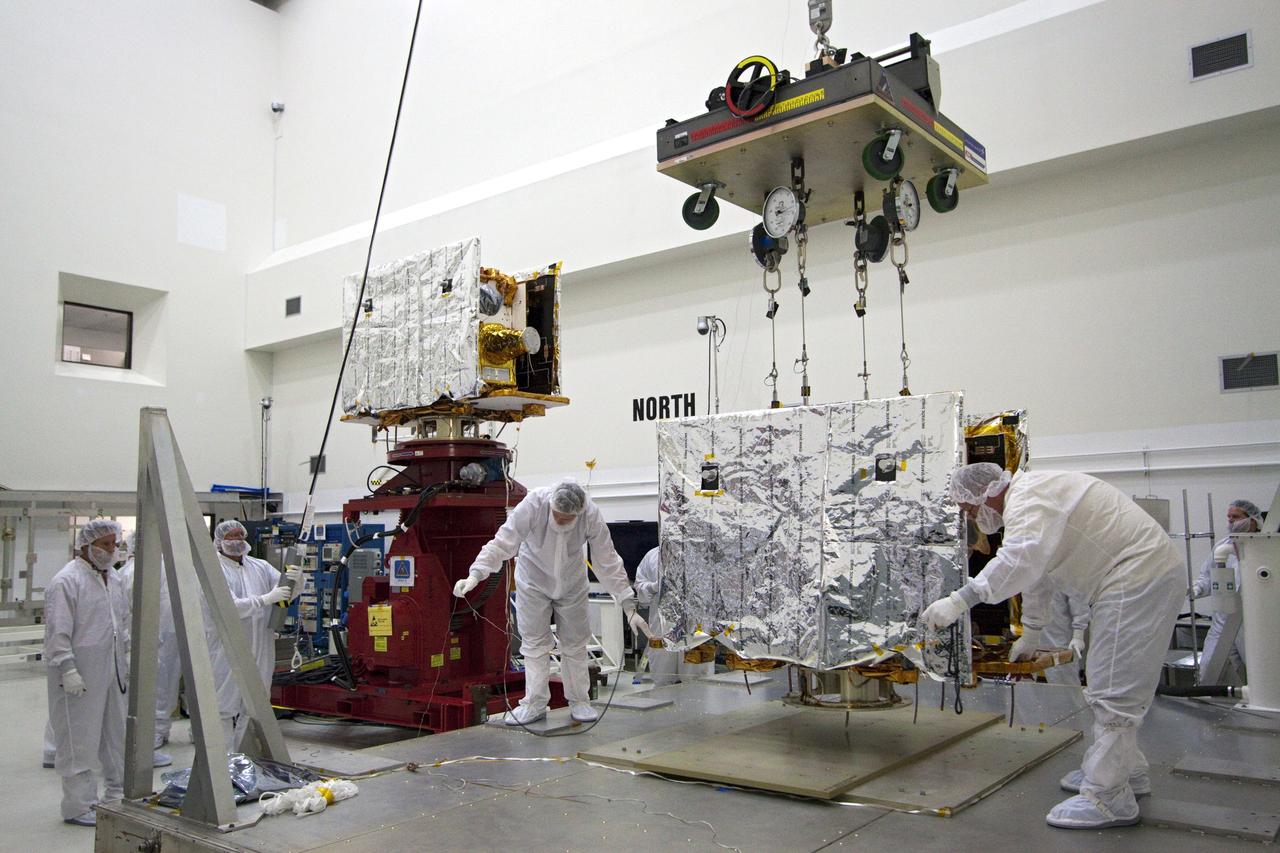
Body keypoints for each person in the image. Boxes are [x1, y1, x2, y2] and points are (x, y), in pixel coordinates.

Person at [921, 463, 1183, 830]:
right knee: (1109, 684)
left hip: (1135, 579)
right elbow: (1038, 574)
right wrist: (1032, 632)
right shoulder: (1031, 499)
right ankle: (1127, 771)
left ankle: (1108, 797)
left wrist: (960, 600)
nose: (975, 517)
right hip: (1133, 577)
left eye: (970, 509)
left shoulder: (1028, 497)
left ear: (985, 494)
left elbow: (1018, 561)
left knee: (1112, 688)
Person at [453, 480, 650, 725]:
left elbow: (606, 559)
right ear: (550, 505)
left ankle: (580, 701)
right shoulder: (534, 504)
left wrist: (628, 605)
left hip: (572, 583)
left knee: (575, 645)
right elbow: (504, 541)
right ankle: (534, 703)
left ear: (579, 512)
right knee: (534, 645)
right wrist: (477, 573)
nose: (562, 521)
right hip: (533, 581)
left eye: (568, 518)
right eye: (558, 516)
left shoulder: (590, 514)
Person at [43, 519, 129, 827]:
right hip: (78, 675)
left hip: (111, 671)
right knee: (78, 738)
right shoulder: (66, 581)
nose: (111, 550)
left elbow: (121, 622)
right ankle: (78, 806)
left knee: (114, 734)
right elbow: (57, 631)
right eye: (105, 544)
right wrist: (67, 668)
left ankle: (115, 795)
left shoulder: (115, 579)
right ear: (86, 545)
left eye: (114, 544)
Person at [208, 520, 301, 751]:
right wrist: (266, 599)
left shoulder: (259, 566)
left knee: (256, 702)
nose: (238, 539)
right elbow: (231, 607)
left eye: (241, 534)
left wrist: (298, 579)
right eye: (231, 536)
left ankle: (245, 756)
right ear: (220, 542)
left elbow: (287, 592)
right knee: (224, 704)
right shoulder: (214, 569)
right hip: (227, 646)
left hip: (262, 643)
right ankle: (223, 762)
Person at [115, 532, 176, 766]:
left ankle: (155, 735)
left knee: (160, 687)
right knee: (153, 689)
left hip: (162, 636)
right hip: (149, 638)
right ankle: (146, 741)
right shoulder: (135, 571)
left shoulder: (141, 568)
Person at [1190, 500, 1262, 683]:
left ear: (1252, 519)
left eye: (1236, 517)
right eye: (1229, 517)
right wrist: (1195, 589)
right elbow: (1208, 577)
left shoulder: (1265, 547)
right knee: (1208, 672)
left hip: (1252, 624)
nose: (1231, 521)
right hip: (1222, 622)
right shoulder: (1223, 546)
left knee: (1261, 677)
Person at [634, 545, 713, 685]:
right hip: (661, 625)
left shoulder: (701, 553)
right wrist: (653, 587)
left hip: (695, 626)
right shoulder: (652, 556)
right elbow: (640, 590)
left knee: (697, 680)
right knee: (662, 676)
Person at [1040, 589, 1089, 687]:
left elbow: (1079, 599)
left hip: (1060, 640)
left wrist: (1078, 634)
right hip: (1036, 638)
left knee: (1062, 679)